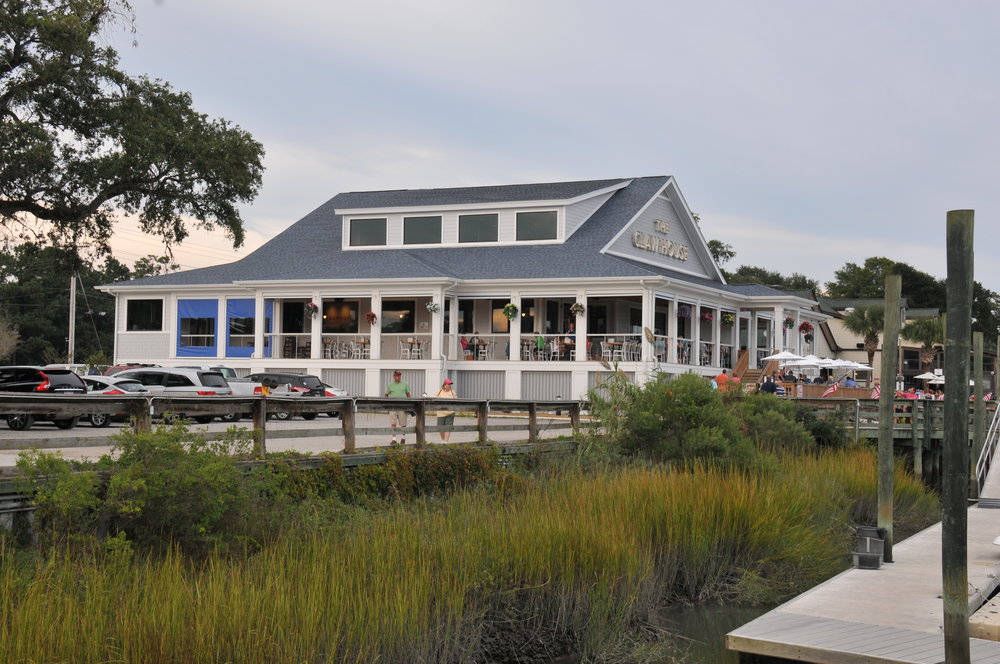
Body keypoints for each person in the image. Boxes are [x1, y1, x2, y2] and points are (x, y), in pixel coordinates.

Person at [383, 370, 411, 444]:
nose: (398, 377)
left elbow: (408, 394)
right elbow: (386, 394)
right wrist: (387, 404)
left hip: (403, 406)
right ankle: (394, 439)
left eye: (399, 375)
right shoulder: (390, 385)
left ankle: (403, 437)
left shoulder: (405, 384)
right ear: (394, 377)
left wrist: (409, 404)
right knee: (393, 422)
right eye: (397, 375)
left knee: (403, 423)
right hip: (393, 406)